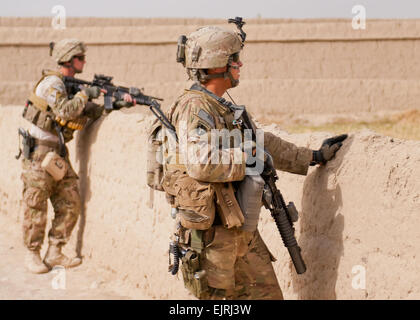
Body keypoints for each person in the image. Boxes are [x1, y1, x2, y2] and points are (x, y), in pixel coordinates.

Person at [149, 23, 347, 299]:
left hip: (239, 229)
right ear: (217, 63)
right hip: (211, 240)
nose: (239, 64)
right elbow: (200, 163)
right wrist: (249, 158)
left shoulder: (221, 106)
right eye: (234, 59)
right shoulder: (195, 108)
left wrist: (313, 156)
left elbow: (260, 142)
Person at [20, 38, 134, 274]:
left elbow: (90, 111)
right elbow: (65, 110)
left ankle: (54, 252)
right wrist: (86, 94)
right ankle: (32, 254)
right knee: (36, 205)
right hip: (39, 152)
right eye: (80, 58)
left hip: (56, 153)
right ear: (70, 59)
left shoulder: (67, 85)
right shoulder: (53, 83)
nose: (84, 61)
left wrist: (119, 103)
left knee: (70, 201)